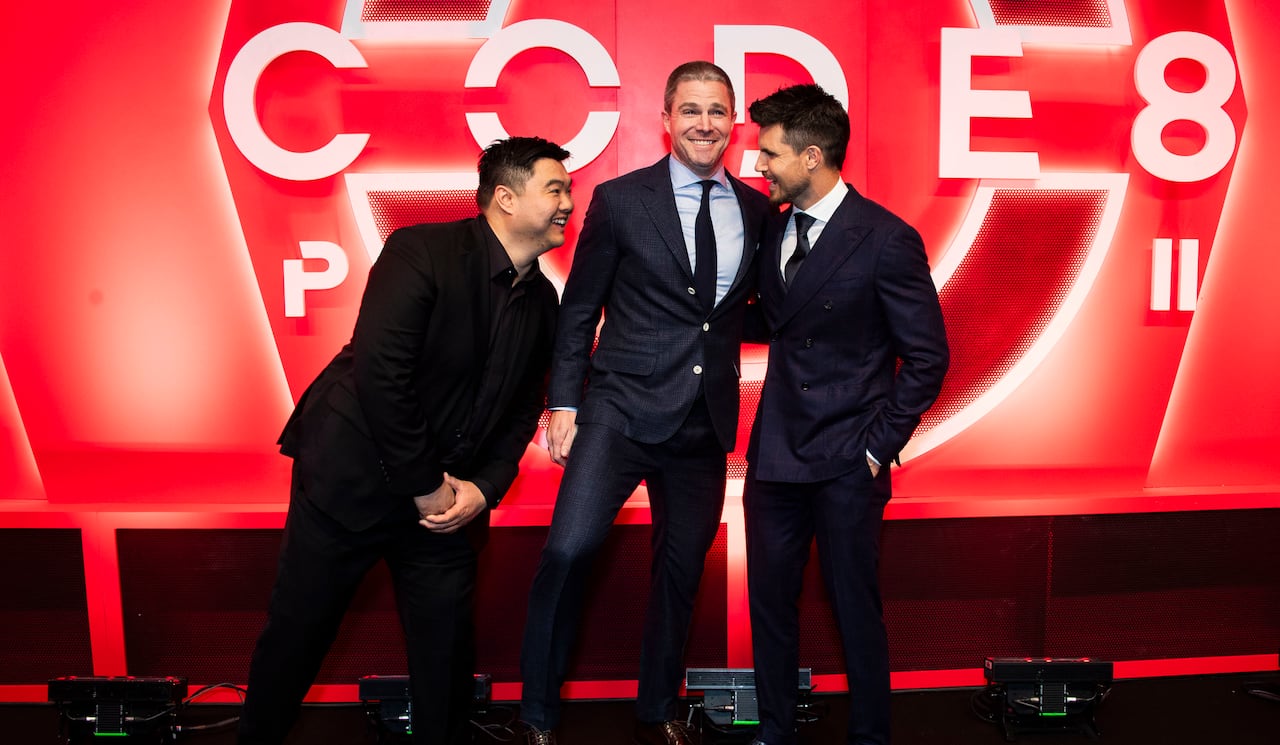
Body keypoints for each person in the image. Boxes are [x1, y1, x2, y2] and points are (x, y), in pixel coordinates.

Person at [236, 136, 574, 745]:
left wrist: (484, 488)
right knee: (299, 631)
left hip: (448, 502)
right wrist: (424, 487)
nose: (568, 204)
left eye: (567, 192)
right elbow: (380, 375)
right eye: (555, 189)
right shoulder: (420, 250)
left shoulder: (545, 301)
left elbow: (527, 407)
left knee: (444, 653)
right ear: (504, 197)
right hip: (352, 477)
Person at [518, 61, 772, 745]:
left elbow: (732, 314)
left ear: (735, 121)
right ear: (665, 118)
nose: (704, 123)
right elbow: (579, 309)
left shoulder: (755, 209)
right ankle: (537, 711)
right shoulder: (622, 200)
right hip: (619, 409)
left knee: (681, 571)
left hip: (704, 420)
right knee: (569, 549)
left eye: (717, 111)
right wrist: (564, 402)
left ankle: (657, 705)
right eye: (690, 110)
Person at [742, 84, 949, 745]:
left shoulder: (888, 239)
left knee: (855, 607)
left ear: (811, 155)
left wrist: (877, 444)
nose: (759, 165)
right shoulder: (774, 226)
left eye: (769, 153)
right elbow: (775, 319)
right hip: (774, 454)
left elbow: (928, 356)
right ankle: (775, 729)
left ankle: (870, 734)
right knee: (770, 607)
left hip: (846, 459)